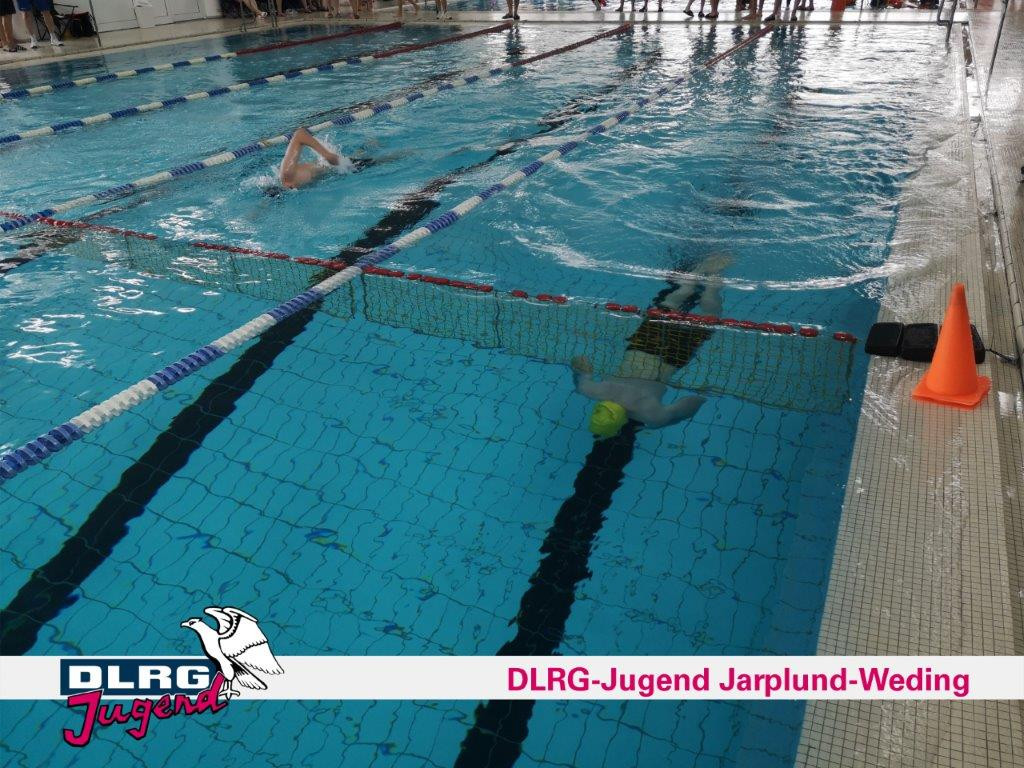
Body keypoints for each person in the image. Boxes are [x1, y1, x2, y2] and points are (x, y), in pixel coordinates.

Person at [571, 254, 731, 438]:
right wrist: (580, 374)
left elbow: (693, 401)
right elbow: (581, 362)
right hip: (643, 347)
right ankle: (697, 272)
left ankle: (715, 276)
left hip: (673, 358)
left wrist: (663, 424)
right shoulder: (590, 390)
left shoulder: (653, 415)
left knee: (710, 317)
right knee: (671, 302)